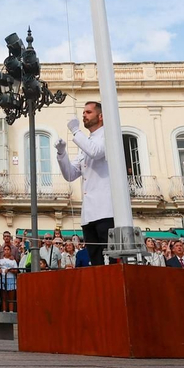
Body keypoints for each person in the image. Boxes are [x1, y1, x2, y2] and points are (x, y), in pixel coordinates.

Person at [55, 102, 114, 266]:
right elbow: (70, 174)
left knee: (112, 257)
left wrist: (75, 131)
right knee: (95, 259)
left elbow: (95, 152)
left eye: (88, 112)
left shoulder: (108, 136)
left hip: (106, 210)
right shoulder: (86, 144)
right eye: (83, 113)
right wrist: (61, 153)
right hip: (89, 213)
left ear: (100, 116)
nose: (84, 115)